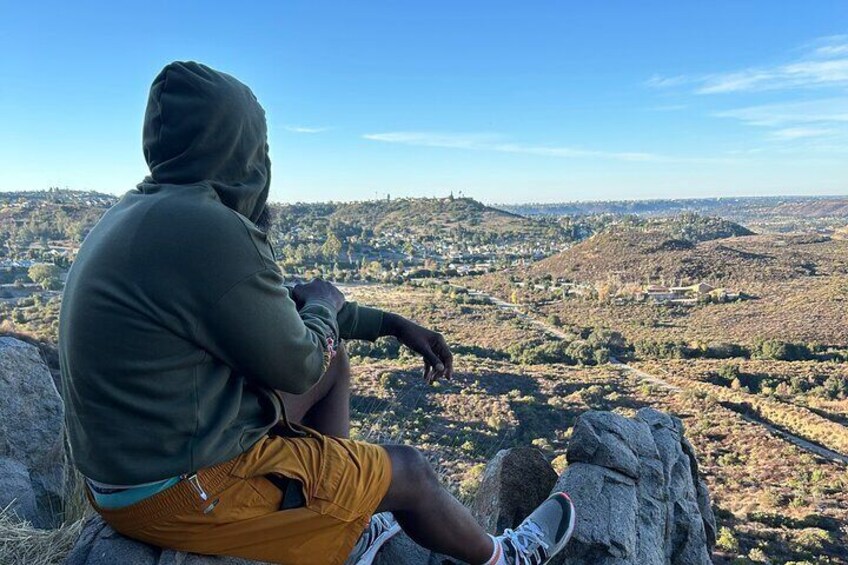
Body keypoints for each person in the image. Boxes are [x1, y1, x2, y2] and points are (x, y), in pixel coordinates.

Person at [58, 61, 575, 565]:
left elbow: (276, 309)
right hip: (179, 490)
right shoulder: (211, 228)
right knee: (412, 472)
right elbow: (299, 361)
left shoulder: (141, 211)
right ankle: (506, 556)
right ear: (241, 148)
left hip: (136, 469)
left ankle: (336, 512)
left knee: (334, 363)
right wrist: (327, 306)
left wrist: (389, 324)